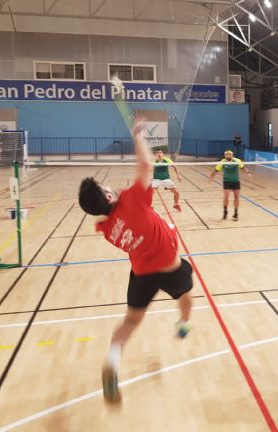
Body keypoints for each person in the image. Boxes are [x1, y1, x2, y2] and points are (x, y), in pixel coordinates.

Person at [78, 118, 193, 403]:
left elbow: (119, 211)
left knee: (130, 321)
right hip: (170, 267)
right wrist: (139, 135)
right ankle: (183, 322)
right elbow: (145, 166)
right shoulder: (132, 199)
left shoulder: (106, 229)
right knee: (187, 295)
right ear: (107, 194)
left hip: (141, 274)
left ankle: (113, 360)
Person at [209, 150, 251, 220]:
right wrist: (211, 177)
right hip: (227, 182)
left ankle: (236, 213)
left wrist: (248, 173)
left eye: (230, 154)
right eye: (227, 154)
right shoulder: (222, 162)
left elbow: (243, 168)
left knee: (236, 197)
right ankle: (225, 211)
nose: (228, 155)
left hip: (236, 181)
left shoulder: (237, 161)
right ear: (225, 155)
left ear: (232, 155)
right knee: (226, 197)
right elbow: (215, 171)